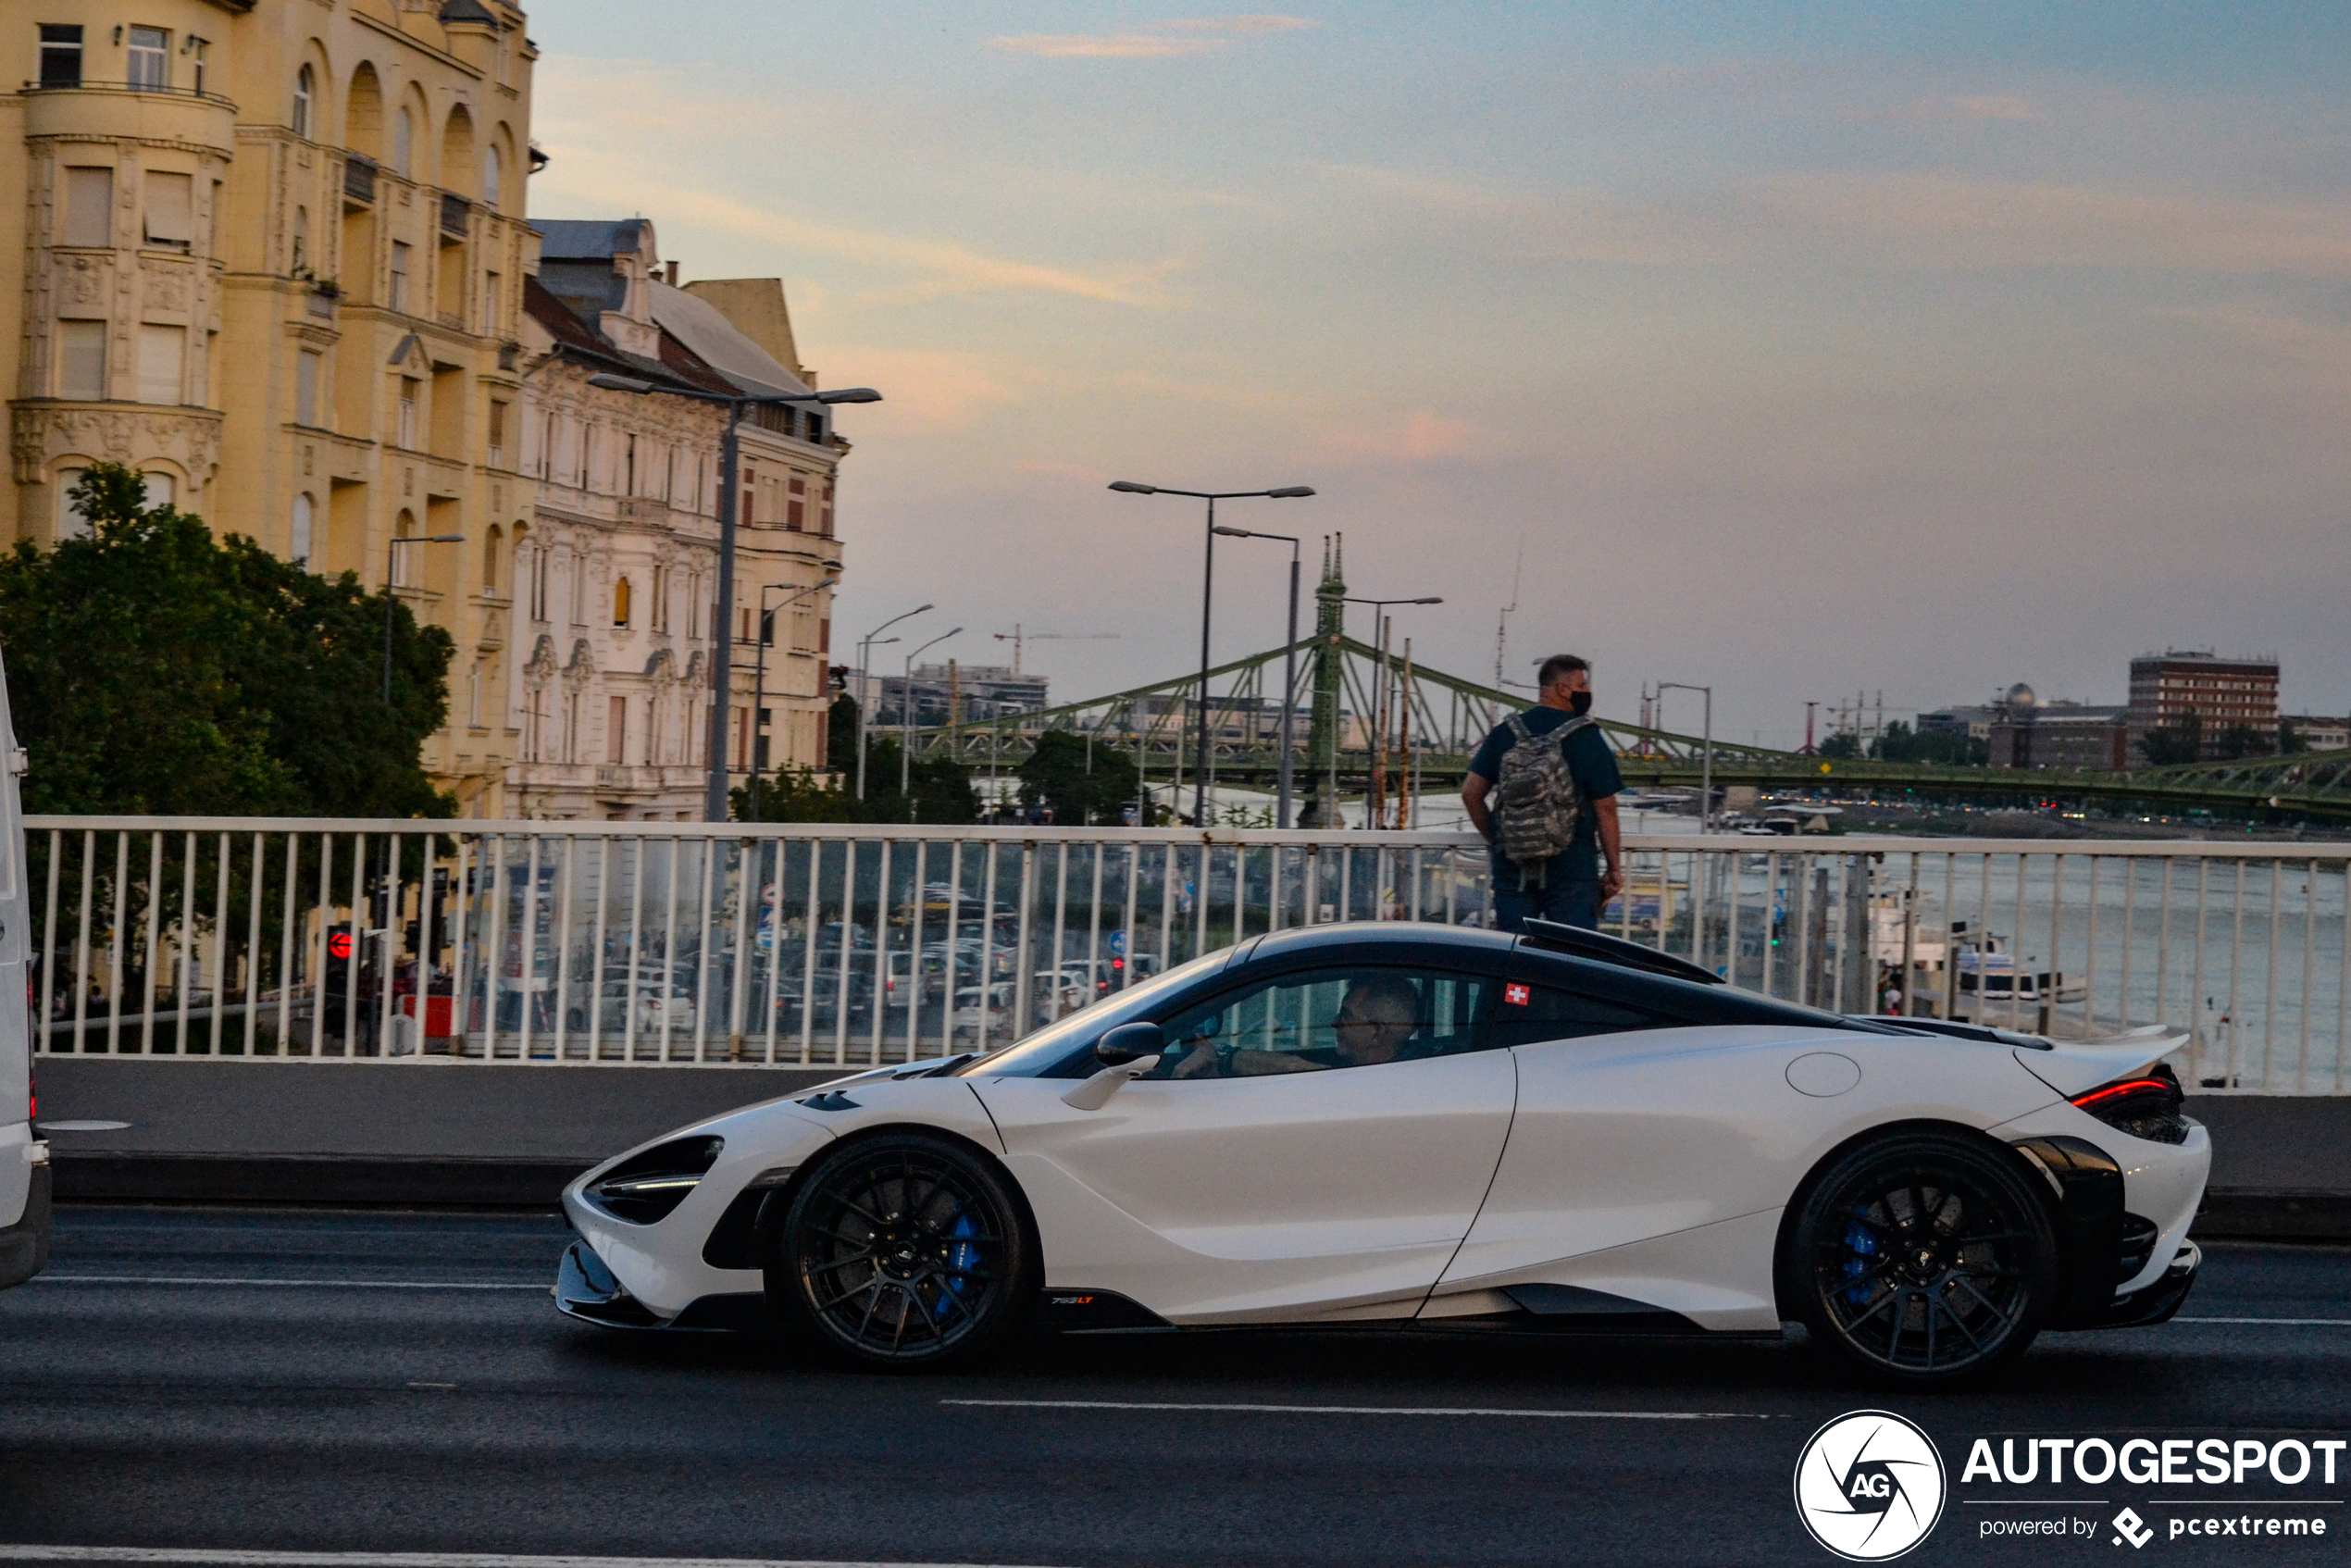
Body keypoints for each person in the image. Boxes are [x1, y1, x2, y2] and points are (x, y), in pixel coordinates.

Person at [1461, 653, 1624, 931]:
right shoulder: (1588, 737)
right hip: (1572, 869)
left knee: (1516, 960)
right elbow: (1605, 808)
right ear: (1563, 689)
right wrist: (1614, 868)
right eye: (1582, 686)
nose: (1586, 693)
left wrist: (1502, 839)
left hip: (1513, 870)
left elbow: (1470, 794)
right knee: (1574, 961)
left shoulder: (1506, 732)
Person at [1169, 973, 1425, 1076]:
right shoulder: (1393, 1077)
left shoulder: (1377, 1090)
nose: (1334, 1023)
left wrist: (1222, 1056)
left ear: (1377, 1032)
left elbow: (1303, 1070)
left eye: (1346, 1016)